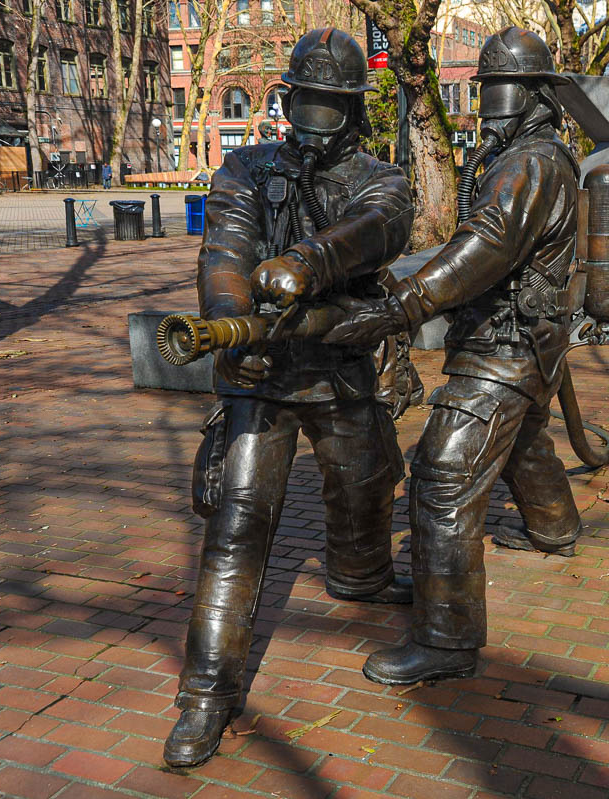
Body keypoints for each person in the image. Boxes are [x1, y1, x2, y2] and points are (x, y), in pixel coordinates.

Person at [163, 27, 415, 768]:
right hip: (261, 370)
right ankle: (205, 695)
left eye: (330, 104)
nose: (315, 115)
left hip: (339, 364)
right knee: (237, 526)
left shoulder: (381, 176)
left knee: (369, 480)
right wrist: (229, 333)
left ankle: (361, 574)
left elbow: (381, 230)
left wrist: (311, 259)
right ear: (288, 98)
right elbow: (225, 256)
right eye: (305, 99)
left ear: (352, 108)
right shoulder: (243, 168)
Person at [320, 27, 582, 685]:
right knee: (521, 436)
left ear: (533, 96)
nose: (490, 98)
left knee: (442, 473)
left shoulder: (529, 164)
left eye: (503, 87)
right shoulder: (525, 155)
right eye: (487, 85)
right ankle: (554, 526)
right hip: (526, 338)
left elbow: (484, 248)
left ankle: (447, 638)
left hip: (506, 341)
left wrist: (402, 307)